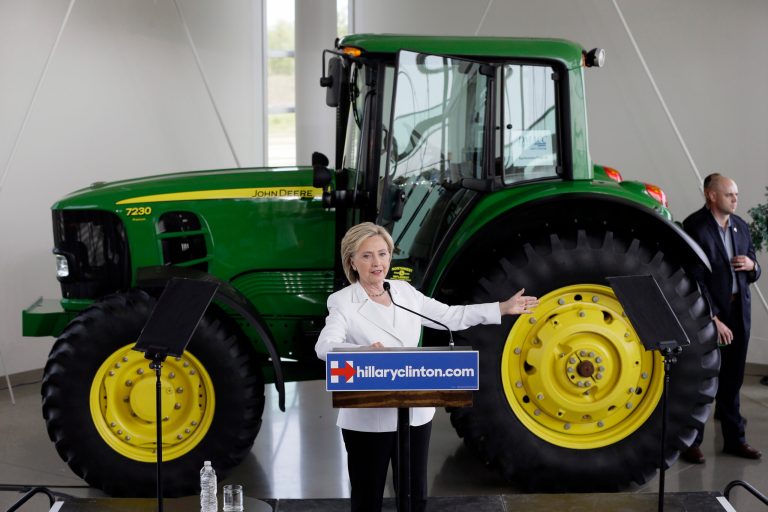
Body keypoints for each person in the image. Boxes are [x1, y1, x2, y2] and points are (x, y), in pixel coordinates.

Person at [315, 222, 539, 512]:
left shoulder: (404, 292)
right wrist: (362, 353)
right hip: (368, 419)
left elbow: (450, 316)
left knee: (414, 497)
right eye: (367, 256)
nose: (377, 263)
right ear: (352, 262)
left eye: (382, 254)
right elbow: (325, 346)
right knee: (367, 500)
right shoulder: (343, 302)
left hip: (415, 413)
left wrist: (501, 308)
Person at [681, 173, 762, 464]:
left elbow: (753, 271)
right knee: (703, 379)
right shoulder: (695, 227)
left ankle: (735, 440)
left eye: (736, 194)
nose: (735, 199)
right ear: (711, 195)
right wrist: (713, 318)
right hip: (710, 314)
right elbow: (694, 278)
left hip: (739, 312)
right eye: (729, 194)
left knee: (733, 379)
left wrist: (752, 266)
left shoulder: (741, 226)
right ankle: (691, 443)